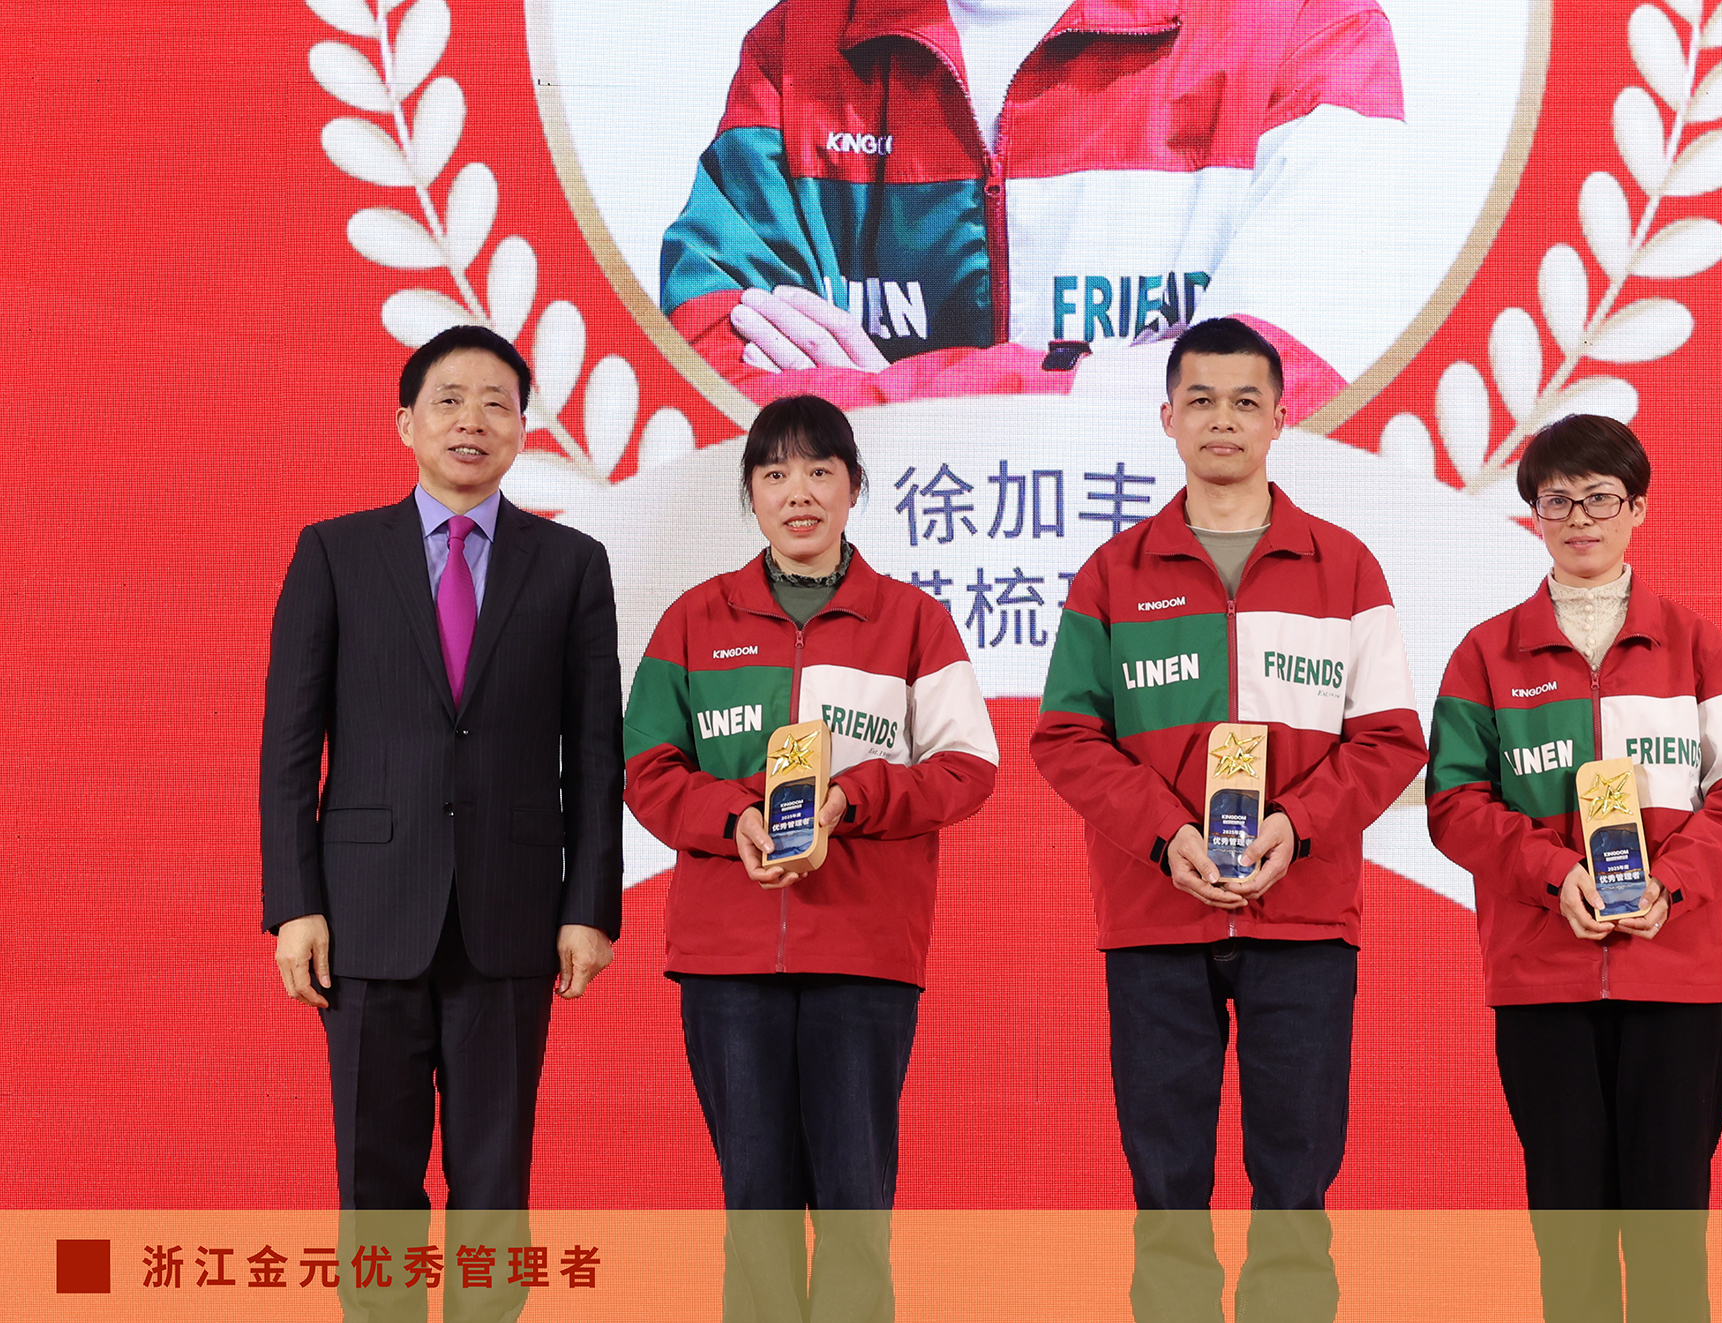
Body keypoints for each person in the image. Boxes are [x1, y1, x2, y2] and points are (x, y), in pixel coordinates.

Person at [1030, 317, 1426, 1319]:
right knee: (1165, 1188)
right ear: (1166, 418)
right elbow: (1067, 737)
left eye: (1245, 401)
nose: (1222, 420)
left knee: (1295, 1188)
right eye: (1200, 400)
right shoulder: (1114, 574)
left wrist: (1298, 825)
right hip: (1154, 919)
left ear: (1281, 418)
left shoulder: (1345, 568)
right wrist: (1166, 835)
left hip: (1305, 921)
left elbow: (1389, 739)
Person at [260, 325, 622, 1318]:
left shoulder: (571, 565)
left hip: (512, 915)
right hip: (366, 916)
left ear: (523, 429)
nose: (473, 420)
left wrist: (589, 905)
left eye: (497, 403)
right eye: (450, 399)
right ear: (406, 423)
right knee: (374, 1179)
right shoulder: (335, 554)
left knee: (495, 1186)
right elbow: (290, 744)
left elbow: (595, 753)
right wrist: (295, 904)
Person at [622, 393, 999, 1320]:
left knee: (855, 1202)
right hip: (728, 959)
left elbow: (967, 765)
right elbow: (646, 767)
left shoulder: (912, 620)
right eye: (776, 472)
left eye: (821, 471)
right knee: (754, 1204)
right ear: (749, 492)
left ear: (855, 487)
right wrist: (733, 819)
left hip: (863, 954)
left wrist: (853, 797)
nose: (800, 492)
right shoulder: (694, 621)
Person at [1424, 414, 1722, 1322]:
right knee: (1571, 1233)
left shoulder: (1699, 646)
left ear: (1638, 509)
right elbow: (1454, 803)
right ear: (1532, 515)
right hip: (1542, 981)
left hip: (1677, 979)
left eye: (1599, 498)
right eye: (1557, 501)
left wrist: (1672, 883)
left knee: (1669, 1233)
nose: (1579, 518)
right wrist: (1556, 877)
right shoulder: (1485, 654)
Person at [659, 0, 1403, 415]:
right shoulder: (795, 46)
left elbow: (1292, 399)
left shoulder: (1312, 27)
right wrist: (1121, 384)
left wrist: (875, 412)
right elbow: (702, 385)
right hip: (882, 627)